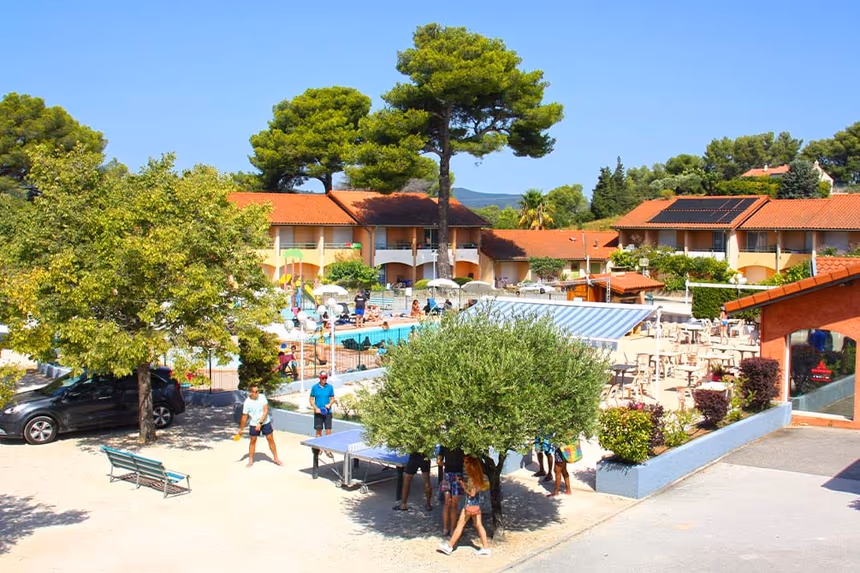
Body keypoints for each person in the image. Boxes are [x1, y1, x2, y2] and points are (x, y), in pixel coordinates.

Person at [437, 456, 491, 557]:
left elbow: (472, 493)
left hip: (470, 506)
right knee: (478, 525)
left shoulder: (472, 479)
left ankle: (449, 546)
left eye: (466, 464)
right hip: (475, 506)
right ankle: (486, 547)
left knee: (460, 525)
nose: (464, 466)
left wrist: (462, 484)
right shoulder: (478, 477)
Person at [236, 384, 283, 467]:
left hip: (265, 422)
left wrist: (260, 423)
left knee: (270, 439)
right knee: (253, 441)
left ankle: (276, 458)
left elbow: (265, 411)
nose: (258, 393)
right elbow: (244, 416)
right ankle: (250, 461)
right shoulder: (247, 403)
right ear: (251, 393)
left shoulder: (262, 397)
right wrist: (241, 429)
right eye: (255, 392)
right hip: (254, 423)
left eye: (258, 391)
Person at [437, 446, 465, 537]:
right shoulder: (462, 444)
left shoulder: (444, 444)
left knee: (446, 503)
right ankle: (453, 529)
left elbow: (439, 461)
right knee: (454, 504)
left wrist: (446, 464)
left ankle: (445, 529)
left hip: (447, 475)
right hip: (458, 475)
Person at [309, 371, 335, 438]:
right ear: (319, 378)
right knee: (318, 431)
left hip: (327, 412)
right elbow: (311, 399)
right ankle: (319, 448)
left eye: (325, 378)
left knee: (328, 431)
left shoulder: (330, 387)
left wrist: (329, 404)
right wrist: (316, 408)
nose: (324, 379)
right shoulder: (315, 387)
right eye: (323, 378)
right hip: (318, 413)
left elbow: (332, 398)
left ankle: (328, 447)